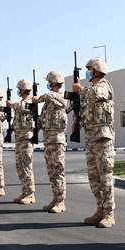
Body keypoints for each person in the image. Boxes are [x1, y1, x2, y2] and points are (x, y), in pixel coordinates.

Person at [73, 58, 115, 228]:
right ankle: (100, 210)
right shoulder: (89, 90)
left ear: (97, 70)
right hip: (91, 138)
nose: (87, 72)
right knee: (94, 178)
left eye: (89, 69)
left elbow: (98, 93)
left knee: (105, 177)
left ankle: (109, 214)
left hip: (103, 139)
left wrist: (80, 90)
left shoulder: (104, 85)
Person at [33, 71, 67, 213]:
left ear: (53, 83)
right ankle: (55, 198)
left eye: (49, 82)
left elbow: (60, 102)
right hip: (48, 140)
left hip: (57, 141)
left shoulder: (60, 97)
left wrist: (38, 98)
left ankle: (61, 202)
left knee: (58, 171)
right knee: (51, 172)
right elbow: (42, 120)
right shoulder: (48, 103)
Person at [7, 79, 36, 204]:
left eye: (19, 89)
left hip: (26, 138)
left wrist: (11, 105)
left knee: (26, 166)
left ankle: (30, 194)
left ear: (23, 90)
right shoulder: (22, 102)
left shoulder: (29, 102)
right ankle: (25, 191)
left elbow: (24, 108)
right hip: (19, 139)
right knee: (20, 166)